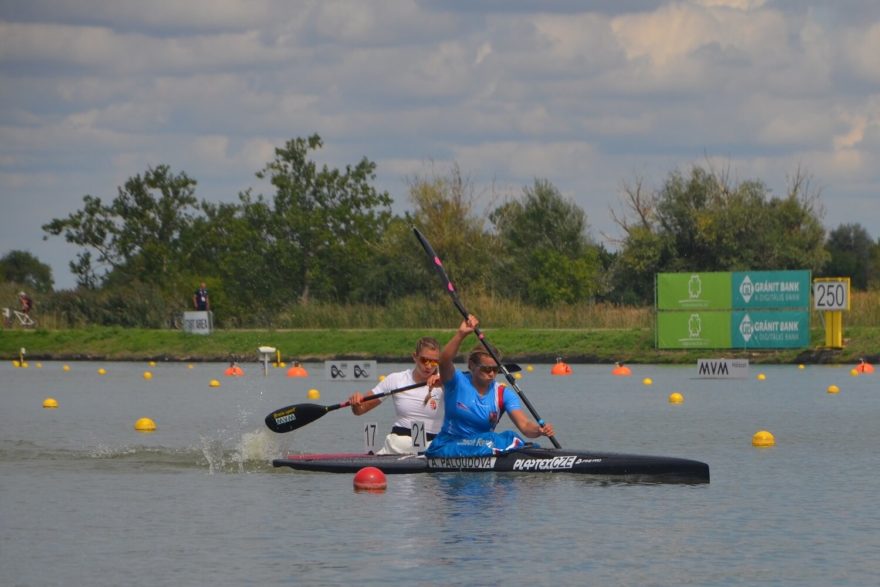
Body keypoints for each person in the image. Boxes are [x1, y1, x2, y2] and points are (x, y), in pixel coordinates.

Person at [425, 315, 554, 458]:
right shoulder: (456, 381)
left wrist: (539, 430)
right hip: (448, 446)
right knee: (500, 439)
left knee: (504, 438)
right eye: (486, 369)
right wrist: (461, 334)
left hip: (483, 448)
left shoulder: (503, 394)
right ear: (472, 366)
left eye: (495, 369)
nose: (491, 373)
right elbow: (444, 361)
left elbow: (524, 425)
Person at [348, 337, 444, 455]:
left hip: (433, 446)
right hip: (399, 445)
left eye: (434, 362)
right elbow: (360, 410)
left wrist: (445, 384)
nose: (429, 366)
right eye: (424, 360)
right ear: (415, 356)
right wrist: (356, 402)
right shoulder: (396, 380)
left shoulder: (446, 382)